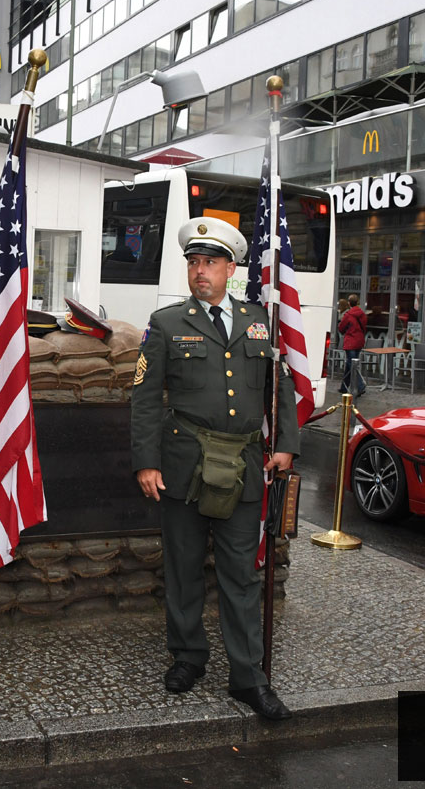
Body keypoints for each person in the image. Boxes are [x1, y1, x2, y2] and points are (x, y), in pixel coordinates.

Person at [130, 216, 299, 722]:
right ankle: (188, 657)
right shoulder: (167, 323)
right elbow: (143, 399)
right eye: (193, 263)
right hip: (182, 465)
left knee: (241, 577)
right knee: (183, 569)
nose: (200, 271)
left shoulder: (258, 320)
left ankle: (248, 677)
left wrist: (285, 443)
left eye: (210, 263)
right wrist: (146, 462)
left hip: (245, 466)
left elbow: (280, 387)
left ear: (231, 268)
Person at [337, 293, 367, 398]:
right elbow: (364, 326)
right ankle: (344, 387)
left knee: (351, 364)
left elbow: (341, 328)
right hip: (359, 341)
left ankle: (360, 385)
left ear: (349, 303)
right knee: (350, 364)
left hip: (350, 342)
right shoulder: (362, 314)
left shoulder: (348, 315)